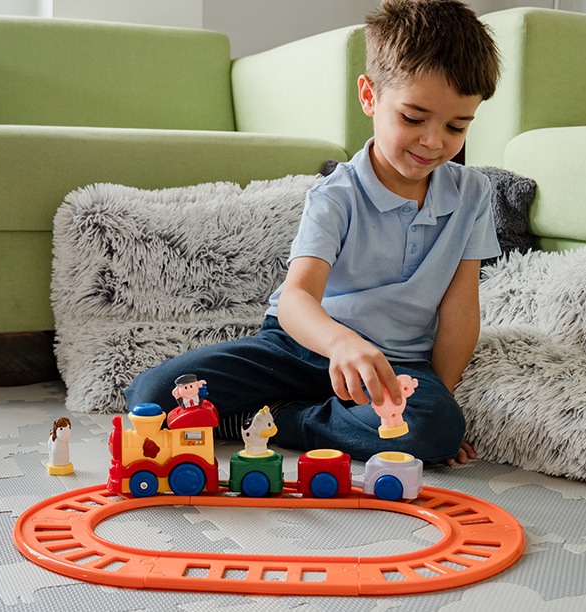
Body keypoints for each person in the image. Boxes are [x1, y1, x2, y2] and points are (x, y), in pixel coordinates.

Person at [125, 0, 501, 465]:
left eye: (456, 126)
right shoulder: (335, 195)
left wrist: (436, 404)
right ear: (369, 96)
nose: (434, 141)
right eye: (412, 118)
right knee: (153, 395)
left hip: (391, 368)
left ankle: (282, 419)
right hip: (299, 348)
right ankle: (292, 410)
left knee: (435, 426)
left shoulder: (472, 194)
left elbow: (460, 310)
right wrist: (342, 343)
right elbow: (296, 300)